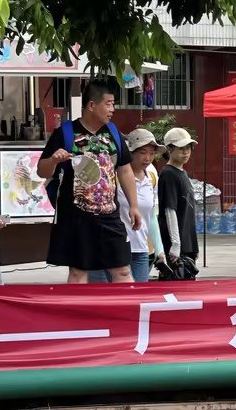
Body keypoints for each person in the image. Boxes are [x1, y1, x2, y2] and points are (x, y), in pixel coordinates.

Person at [38, 79, 140, 284]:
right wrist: (54, 159)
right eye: (108, 103)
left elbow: (125, 170)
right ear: (92, 105)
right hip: (75, 217)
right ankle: (77, 316)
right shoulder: (65, 133)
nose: (112, 109)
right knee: (78, 272)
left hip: (110, 216)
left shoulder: (114, 134)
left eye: (113, 104)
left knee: (122, 270)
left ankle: (128, 314)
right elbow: (42, 171)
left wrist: (134, 206)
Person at [118, 128, 165, 283]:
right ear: (130, 152)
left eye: (152, 153)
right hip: (117, 249)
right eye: (143, 152)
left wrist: (159, 250)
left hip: (141, 250)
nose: (148, 158)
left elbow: (151, 216)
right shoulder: (115, 177)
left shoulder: (151, 177)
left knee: (139, 298)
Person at [159, 127, 200, 276]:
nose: (186, 152)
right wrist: (176, 244)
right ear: (169, 149)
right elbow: (170, 210)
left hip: (187, 242)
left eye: (188, 148)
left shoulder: (182, 173)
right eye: (181, 148)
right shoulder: (168, 174)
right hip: (176, 247)